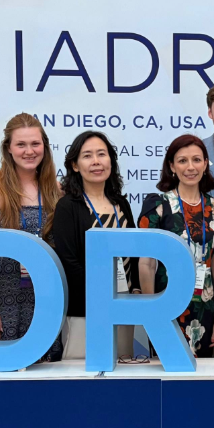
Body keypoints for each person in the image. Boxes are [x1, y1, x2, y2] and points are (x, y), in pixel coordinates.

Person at [0, 113, 63, 361]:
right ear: (8, 148)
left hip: (45, 306)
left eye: (35, 144)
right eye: (21, 144)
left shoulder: (57, 191)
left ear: (45, 147)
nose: (29, 151)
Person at [48, 131, 140, 360]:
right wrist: (101, 296)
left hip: (123, 306)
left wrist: (135, 288)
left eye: (102, 154)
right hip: (86, 309)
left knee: (122, 373)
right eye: (87, 156)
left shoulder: (121, 203)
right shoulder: (67, 206)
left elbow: (134, 252)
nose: (96, 161)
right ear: (75, 166)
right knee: (82, 377)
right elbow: (69, 262)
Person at [138, 134, 214, 357]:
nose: (191, 167)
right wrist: (152, 314)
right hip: (165, 307)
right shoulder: (157, 206)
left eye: (197, 160)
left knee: (202, 382)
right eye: (182, 161)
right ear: (171, 166)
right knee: (166, 378)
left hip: (206, 308)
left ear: (205, 164)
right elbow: (147, 264)